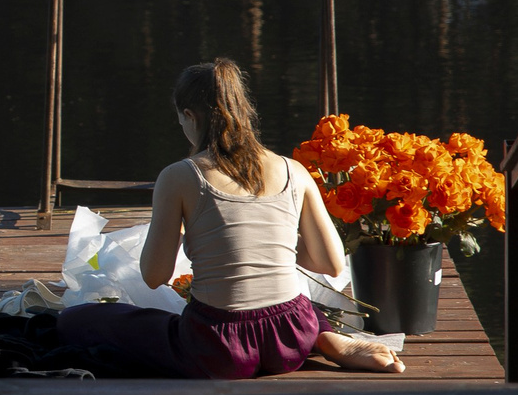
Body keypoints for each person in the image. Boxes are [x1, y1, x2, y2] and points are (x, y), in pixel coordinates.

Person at [57, 58, 404, 378]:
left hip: (218, 347)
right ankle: (323, 337)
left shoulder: (180, 176)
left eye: (181, 120)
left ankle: (321, 337)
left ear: (190, 116)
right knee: (290, 304)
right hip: (291, 336)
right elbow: (331, 263)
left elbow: (154, 276)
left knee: (79, 319)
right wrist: (269, 245)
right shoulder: (294, 171)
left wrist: (189, 235)